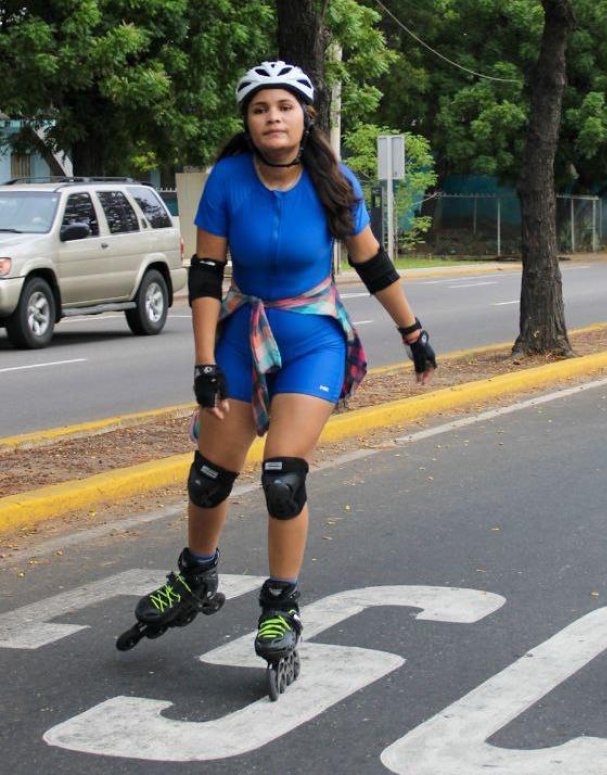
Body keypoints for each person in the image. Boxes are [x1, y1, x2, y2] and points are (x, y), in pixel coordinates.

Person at [122, 61, 437, 680]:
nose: (274, 118)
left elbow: (374, 266)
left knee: (283, 478)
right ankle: (195, 572)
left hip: (312, 337)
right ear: (248, 120)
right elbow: (207, 274)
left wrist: (413, 331)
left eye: (285, 107)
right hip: (243, 333)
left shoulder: (335, 182)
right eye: (261, 108)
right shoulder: (229, 180)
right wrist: (205, 362)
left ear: (305, 116)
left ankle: (280, 606)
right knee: (210, 477)